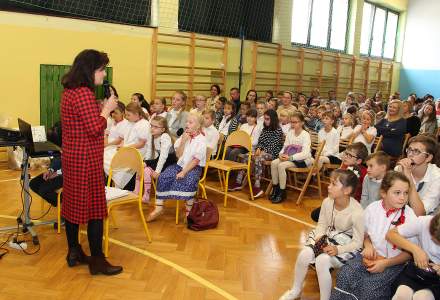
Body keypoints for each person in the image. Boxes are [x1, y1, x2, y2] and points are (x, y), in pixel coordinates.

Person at [60, 49, 121, 275]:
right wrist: (106, 109)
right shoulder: (83, 93)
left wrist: (100, 107)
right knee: (95, 210)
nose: (104, 74)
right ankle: (98, 261)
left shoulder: (70, 91)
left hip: (73, 158)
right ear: (90, 70)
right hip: (87, 160)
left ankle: (74, 251)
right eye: (101, 69)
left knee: (73, 206)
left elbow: (82, 122)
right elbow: (95, 128)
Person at [330, 171, 417, 300]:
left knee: (369, 287)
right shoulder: (373, 208)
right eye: (397, 193)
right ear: (383, 193)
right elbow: (364, 233)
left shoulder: (410, 217)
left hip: (394, 263)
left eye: (406, 193)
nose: (403, 197)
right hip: (370, 256)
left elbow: (410, 253)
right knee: (345, 274)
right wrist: (368, 246)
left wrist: (386, 263)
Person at [280, 169, 363, 300]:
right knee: (304, 254)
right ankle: (296, 290)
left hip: (346, 245)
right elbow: (322, 224)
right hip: (327, 236)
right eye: (330, 183)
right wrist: (319, 237)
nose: (328, 186)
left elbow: (358, 243)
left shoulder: (357, 212)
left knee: (322, 260)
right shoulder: (327, 202)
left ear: (347, 190)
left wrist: (338, 249)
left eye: (334, 184)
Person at [147, 113, 207, 222]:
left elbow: (196, 160)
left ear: (198, 126)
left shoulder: (201, 140)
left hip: (193, 168)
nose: (187, 124)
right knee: (163, 176)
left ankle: (188, 211)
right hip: (180, 165)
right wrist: (183, 141)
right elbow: (179, 155)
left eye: (190, 122)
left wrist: (184, 172)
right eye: (187, 121)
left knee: (189, 180)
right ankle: (159, 208)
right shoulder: (184, 135)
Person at [387, 213, 440, 300]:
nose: (432, 240)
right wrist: (415, 249)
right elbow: (391, 234)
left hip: (437, 280)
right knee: (402, 295)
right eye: (432, 237)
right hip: (419, 269)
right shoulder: (424, 222)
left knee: (421, 297)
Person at [270, 112, 312, 203]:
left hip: (302, 160)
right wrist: (280, 154)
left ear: (302, 123)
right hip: (289, 157)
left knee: (281, 166)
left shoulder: (306, 135)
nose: (293, 124)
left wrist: (290, 158)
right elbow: (285, 146)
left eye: (296, 122)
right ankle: (275, 188)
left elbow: (305, 153)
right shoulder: (290, 132)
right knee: (273, 163)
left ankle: (282, 192)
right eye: (292, 122)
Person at [133, 116, 177, 204]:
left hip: (169, 162)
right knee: (141, 167)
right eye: (151, 126)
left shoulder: (165, 137)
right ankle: (136, 192)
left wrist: (157, 171)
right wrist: (145, 162)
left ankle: (146, 195)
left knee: (145, 168)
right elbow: (149, 152)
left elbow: (164, 156)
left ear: (163, 129)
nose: (152, 128)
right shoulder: (151, 135)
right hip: (160, 160)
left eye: (156, 127)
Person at [395, 135, 440, 215]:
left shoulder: (437, 177)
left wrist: (408, 176)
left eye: (416, 151)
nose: (410, 155)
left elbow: (420, 213)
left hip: (425, 222)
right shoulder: (400, 169)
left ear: (428, 158)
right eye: (409, 150)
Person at [29, 122, 63, 207]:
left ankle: (66, 205)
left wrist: (57, 173)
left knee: (44, 189)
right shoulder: (59, 144)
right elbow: (57, 160)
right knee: (33, 184)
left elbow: (72, 168)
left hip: (70, 176)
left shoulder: (74, 146)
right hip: (60, 172)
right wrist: (50, 170)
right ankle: (59, 203)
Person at [251, 110, 283, 198]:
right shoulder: (265, 129)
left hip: (273, 154)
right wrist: (258, 148)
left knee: (257, 159)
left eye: (267, 119)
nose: (265, 121)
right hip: (263, 152)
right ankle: (238, 182)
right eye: (265, 119)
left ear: (273, 119)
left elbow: (273, 145)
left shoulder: (278, 130)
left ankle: (257, 186)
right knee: (247, 156)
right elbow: (260, 141)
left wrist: (262, 151)